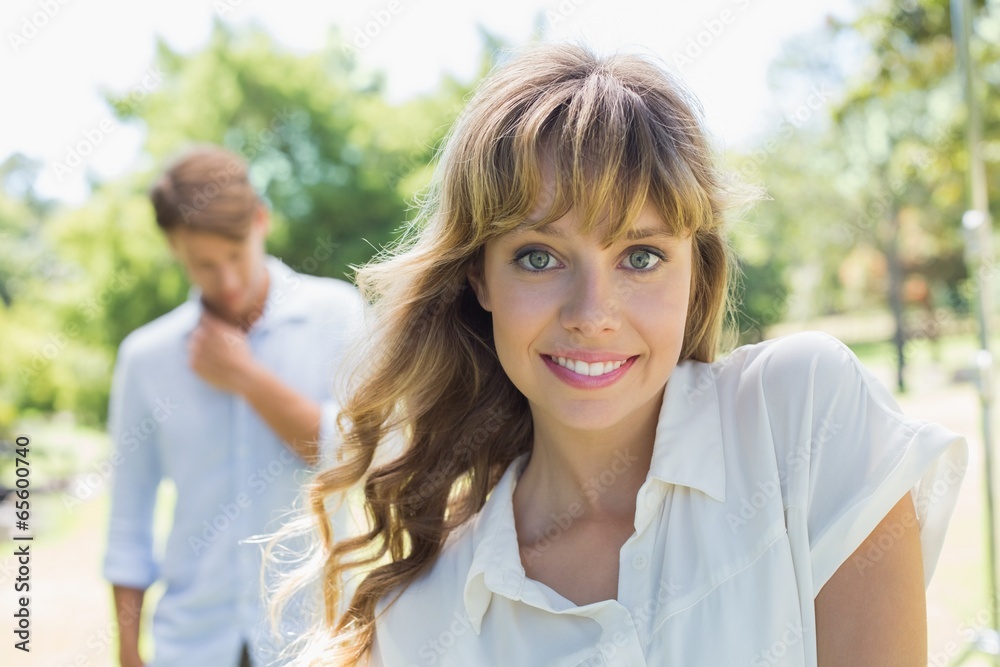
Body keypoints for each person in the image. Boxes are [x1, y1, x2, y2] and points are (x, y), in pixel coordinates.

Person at [276, 45, 969, 666]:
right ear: (478, 278)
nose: (591, 315)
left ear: (695, 271)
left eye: (640, 256)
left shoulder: (803, 416)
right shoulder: (421, 616)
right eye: (539, 256)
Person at [103, 145, 363, 667]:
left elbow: (359, 459)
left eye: (235, 255)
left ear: (262, 221)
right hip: (191, 644)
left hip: (312, 640)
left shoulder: (337, 314)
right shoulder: (146, 358)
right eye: (203, 264)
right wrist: (128, 653)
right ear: (174, 249)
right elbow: (128, 520)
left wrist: (245, 377)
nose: (226, 282)